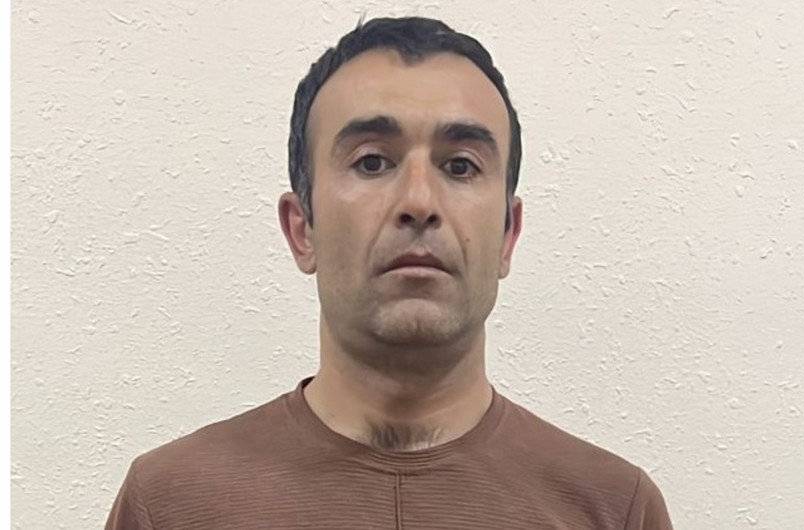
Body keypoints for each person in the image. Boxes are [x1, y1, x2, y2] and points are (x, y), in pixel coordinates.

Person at [105, 16, 673, 530]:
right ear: (303, 228)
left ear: (507, 234)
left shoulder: (614, 509)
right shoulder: (169, 504)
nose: (418, 201)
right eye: (372, 161)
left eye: (460, 166)